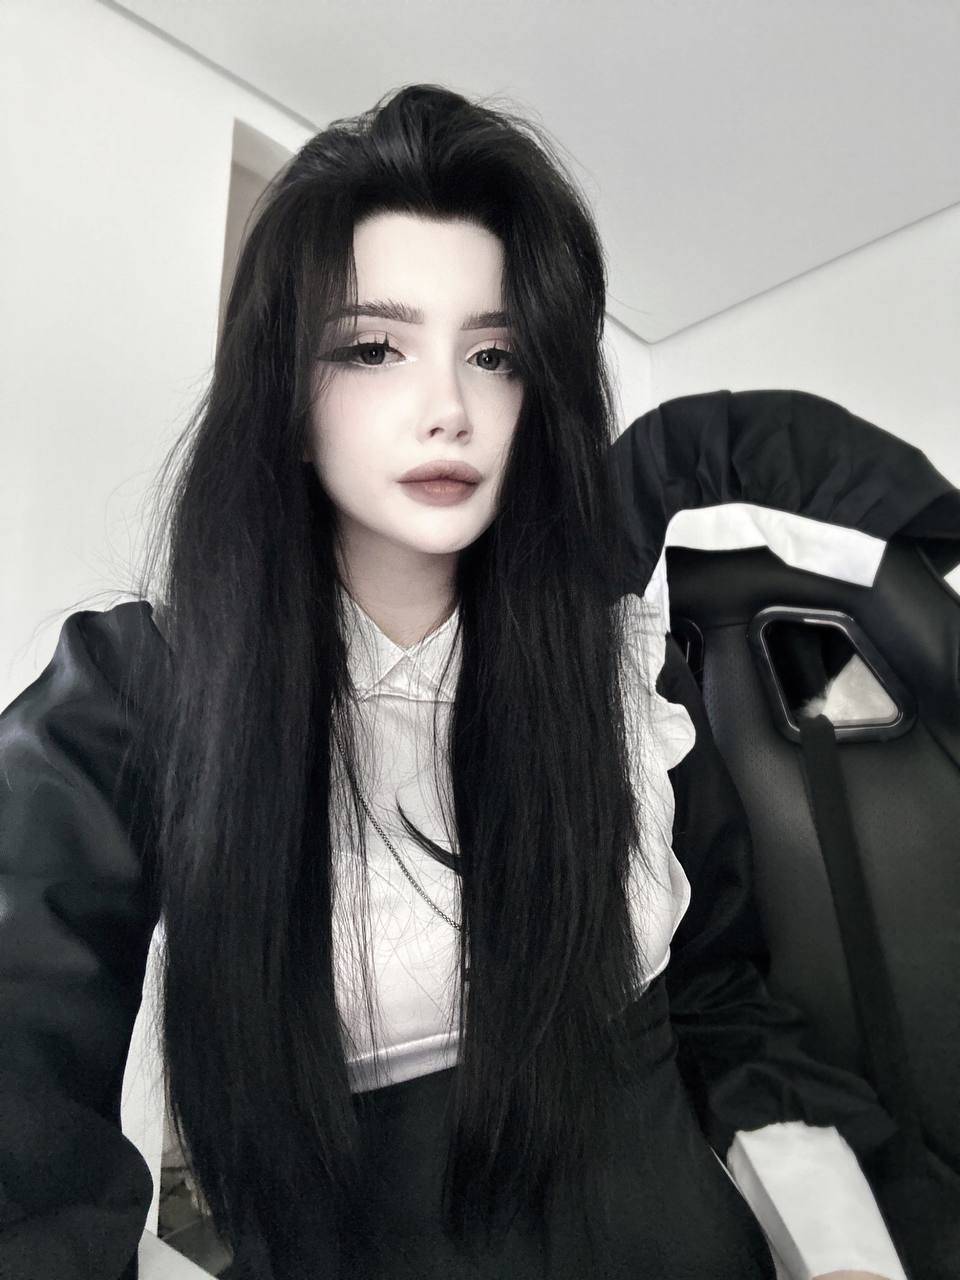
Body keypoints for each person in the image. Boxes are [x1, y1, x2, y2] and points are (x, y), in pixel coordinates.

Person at [0, 84, 910, 1280]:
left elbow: (720, 997)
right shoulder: (140, 690)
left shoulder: (617, 670)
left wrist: (837, 1245)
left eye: (495, 355)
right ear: (287, 390)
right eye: (374, 348)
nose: (449, 409)